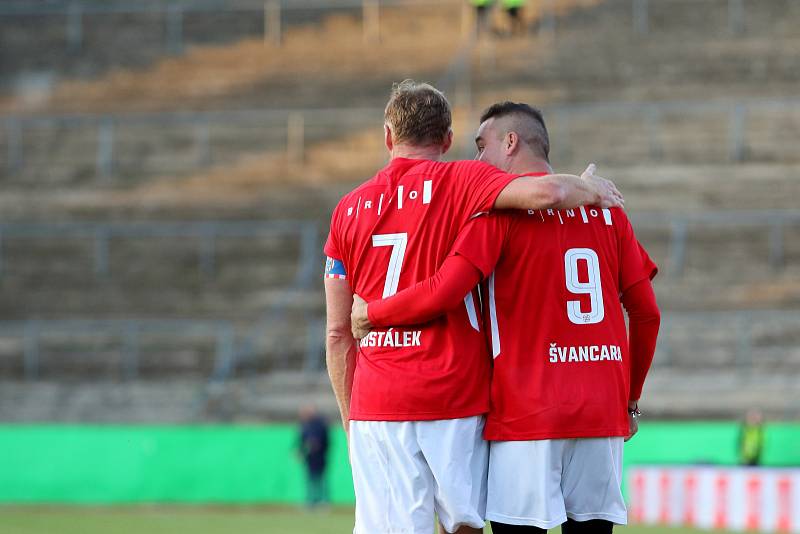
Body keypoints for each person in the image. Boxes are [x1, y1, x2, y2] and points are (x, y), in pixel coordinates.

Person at [324, 81, 624, 534]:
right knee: (461, 526)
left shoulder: (348, 209)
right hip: (453, 393)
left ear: (388, 136)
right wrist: (589, 188)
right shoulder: (465, 181)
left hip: (377, 400)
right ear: (446, 140)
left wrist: (351, 419)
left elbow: (336, 333)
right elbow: (545, 193)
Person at [298, 404, 330, 507]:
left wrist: (318, 447)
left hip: (320, 457)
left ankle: (324, 501)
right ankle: (311, 501)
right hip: (310, 458)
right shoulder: (304, 425)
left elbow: (325, 440)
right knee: (310, 479)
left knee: (321, 479)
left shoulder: (320, 424)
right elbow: (301, 440)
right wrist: (300, 451)